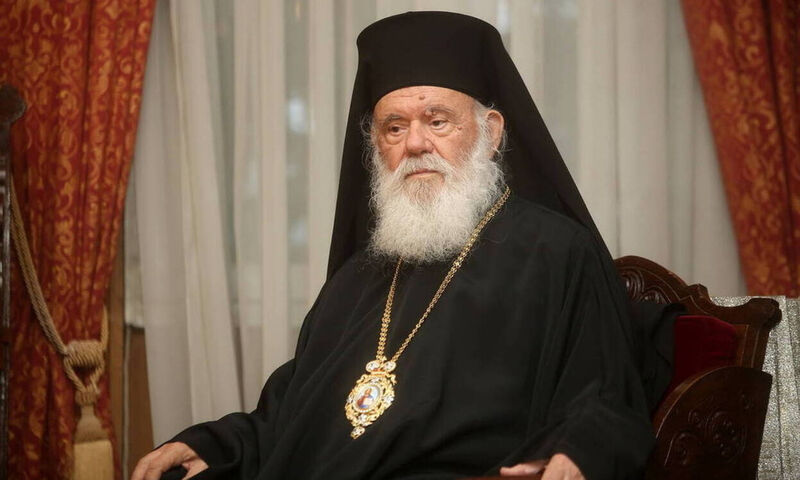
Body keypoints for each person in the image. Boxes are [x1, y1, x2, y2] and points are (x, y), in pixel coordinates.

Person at [133, 11, 678, 480]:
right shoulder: (360, 276)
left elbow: (603, 393)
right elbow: (294, 412)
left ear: (490, 132)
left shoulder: (555, 253)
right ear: (376, 146)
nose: (416, 143)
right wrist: (217, 445)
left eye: (437, 121)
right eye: (394, 128)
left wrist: (578, 450)